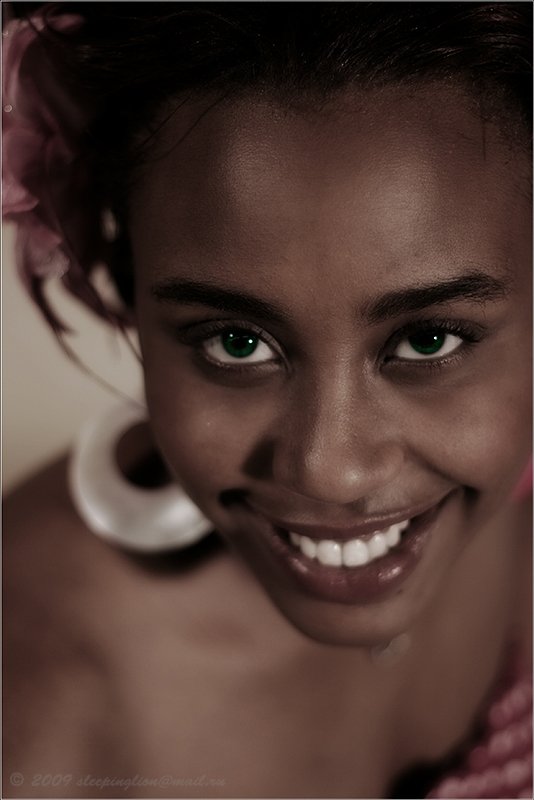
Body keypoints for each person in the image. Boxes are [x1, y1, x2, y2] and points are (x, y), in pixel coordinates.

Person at [3, 3, 532, 798]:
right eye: (237, 342)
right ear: (125, 294)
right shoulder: (37, 702)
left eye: (429, 340)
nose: (332, 472)